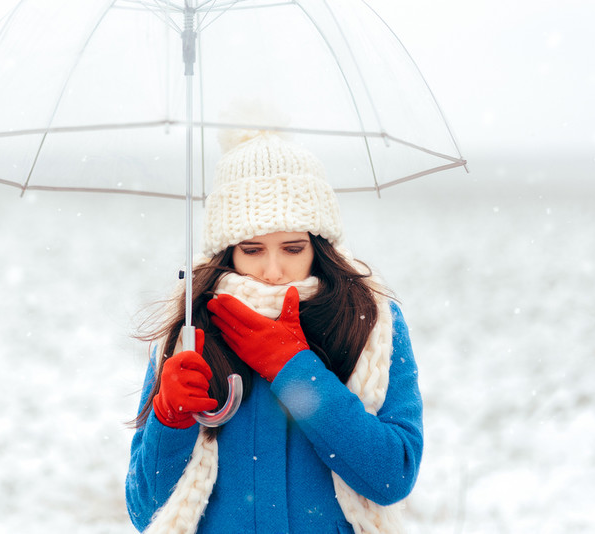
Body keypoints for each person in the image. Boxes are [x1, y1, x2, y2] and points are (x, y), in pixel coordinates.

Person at [125, 130, 423, 534]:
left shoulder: (371, 323)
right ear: (227, 250)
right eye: (252, 249)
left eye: (292, 248)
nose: (272, 270)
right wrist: (170, 419)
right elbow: (145, 510)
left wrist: (294, 368)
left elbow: (392, 475)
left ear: (319, 246)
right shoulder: (192, 329)